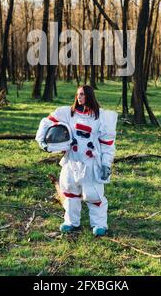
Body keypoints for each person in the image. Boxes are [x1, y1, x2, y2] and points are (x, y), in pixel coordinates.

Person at [35, 85, 117, 237]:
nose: (80, 97)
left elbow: (107, 144)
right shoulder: (67, 113)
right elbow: (47, 122)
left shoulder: (101, 118)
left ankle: (99, 225)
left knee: (94, 196)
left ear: (90, 96)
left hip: (91, 162)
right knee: (70, 193)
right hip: (71, 161)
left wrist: (106, 164)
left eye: (83, 95)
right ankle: (71, 222)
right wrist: (43, 141)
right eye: (78, 94)